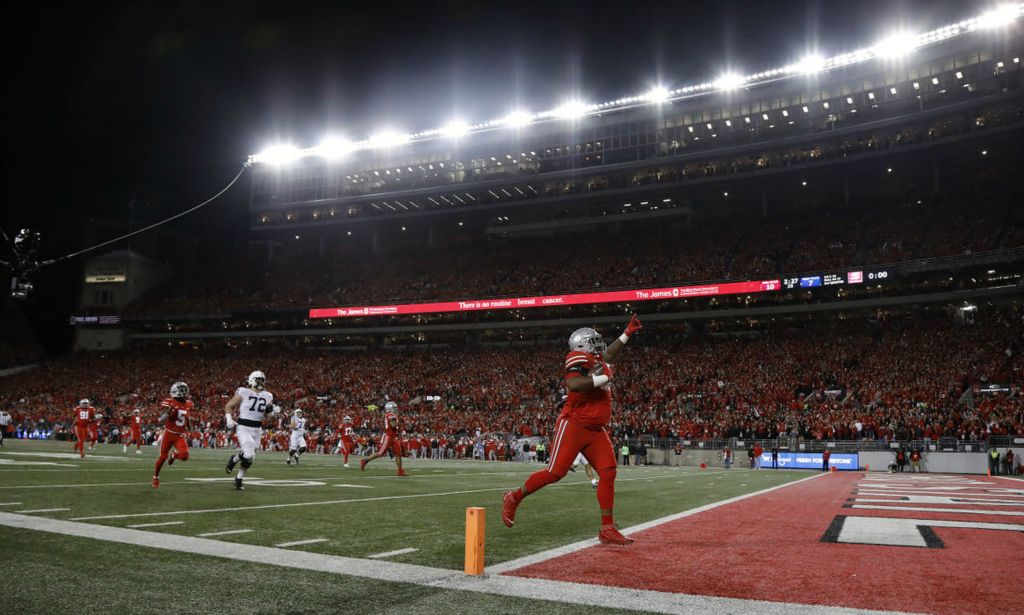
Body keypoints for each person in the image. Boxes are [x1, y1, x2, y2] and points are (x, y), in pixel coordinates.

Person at [502, 314, 643, 546]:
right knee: (555, 473)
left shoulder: (594, 358)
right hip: (574, 424)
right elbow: (574, 384)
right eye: (593, 342)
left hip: (595, 428)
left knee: (608, 471)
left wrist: (626, 334)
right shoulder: (575, 356)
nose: (598, 345)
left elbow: (607, 356)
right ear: (580, 345)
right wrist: (603, 378)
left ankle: (607, 528)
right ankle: (513, 497)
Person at [224, 370, 279, 490]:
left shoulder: (268, 395)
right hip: (243, 426)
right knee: (248, 454)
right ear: (251, 380)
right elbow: (229, 405)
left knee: (251, 457)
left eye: (262, 380)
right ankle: (234, 460)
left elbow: (268, 416)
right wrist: (228, 417)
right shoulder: (243, 391)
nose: (261, 383)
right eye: (258, 380)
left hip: (257, 428)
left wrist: (273, 413)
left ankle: (238, 478)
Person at [152, 382, 192, 488]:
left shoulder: (189, 403)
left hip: (179, 435)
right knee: (162, 457)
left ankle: (174, 455)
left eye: (185, 390)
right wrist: (169, 412)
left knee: (185, 456)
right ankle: (156, 477)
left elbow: (187, 417)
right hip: (169, 434)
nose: (185, 392)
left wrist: (190, 428)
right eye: (183, 390)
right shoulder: (169, 402)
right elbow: (160, 420)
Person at [360, 401, 408, 476]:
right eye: (394, 408)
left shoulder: (393, 415)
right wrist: (401, 423)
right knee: (380, 453)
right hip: (388, 436)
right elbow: (392, 425)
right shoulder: (390, 414)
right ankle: (365, 460)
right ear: (390, 408)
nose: (396, 409)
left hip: (393, 437)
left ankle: (400, 471)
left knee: (399, 454)